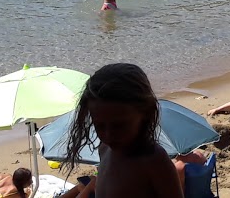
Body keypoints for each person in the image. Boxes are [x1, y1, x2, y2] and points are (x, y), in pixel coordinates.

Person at [60, 63, 180, 197]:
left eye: (119, 126)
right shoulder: (104, 148)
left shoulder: (154, 161)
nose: (108, 135)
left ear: (145, 113)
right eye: (99, 125)